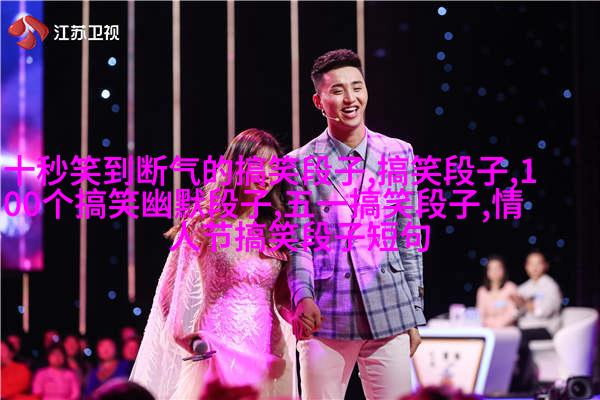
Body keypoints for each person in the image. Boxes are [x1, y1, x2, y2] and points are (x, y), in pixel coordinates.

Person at [286, 49, 425, 399]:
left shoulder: (398, 153)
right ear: (319, 101)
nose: (350, 98)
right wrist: (303, 297)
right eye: (337, 90)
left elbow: (408, 237)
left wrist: (414, 311)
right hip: (326, 314)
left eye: (357, 87)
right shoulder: (299, 164)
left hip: (389, 310)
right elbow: (298, 243)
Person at [130, 129, 299, 399]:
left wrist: (299, 316)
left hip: (268, 347)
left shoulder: (274, 229)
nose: (267, 175)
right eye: (259, 165)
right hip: (218, 346)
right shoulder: (205, 223)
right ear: (238, 166)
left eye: (273, 167)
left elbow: (281, 297)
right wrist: (181, 336)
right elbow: (170, 287)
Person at [510, 249, 562, 391]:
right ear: (526, 267)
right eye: (531, 264)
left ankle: (523, 382)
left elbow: (546, 311)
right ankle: (514, 378)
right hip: (525, 328)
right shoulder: (523, 287)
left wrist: (528, 305)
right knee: (511, 334)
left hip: (546, 329)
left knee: (521, 336)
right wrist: (518, 306)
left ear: (545, 266)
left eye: (538, 263)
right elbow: (516, 312)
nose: (534, 268)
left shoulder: (550, 286)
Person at [476, 255, 519, 328]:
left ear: (503, 270)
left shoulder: (510, 287)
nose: (495, 272)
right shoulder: (482, 291)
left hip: (508, 329)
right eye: (491, 269)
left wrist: (498, 323)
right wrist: (488, 323)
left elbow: (513, 312)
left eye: (498, 268)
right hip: (488, 328)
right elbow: (480, 314)